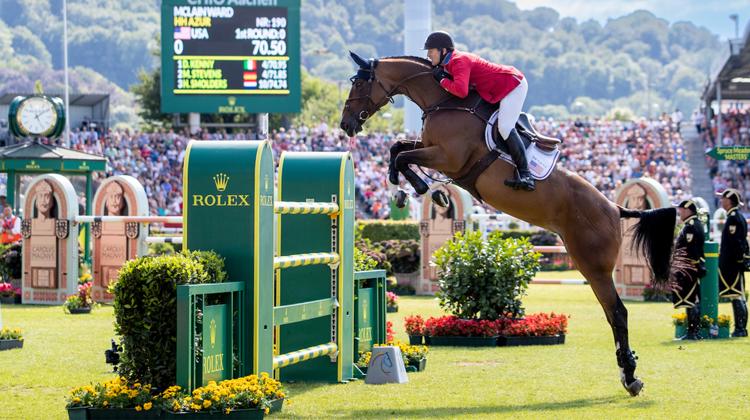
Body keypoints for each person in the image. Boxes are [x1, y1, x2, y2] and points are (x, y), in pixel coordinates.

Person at [424, 31, 534, 192]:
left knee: (504, 127)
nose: (428, 55)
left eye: (431, 50)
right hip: (495, 89)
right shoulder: (449, 63)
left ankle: (526, 175)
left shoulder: (458, 61)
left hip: (512, 84)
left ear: (443, 51)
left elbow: (461, 91)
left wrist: (442, 79)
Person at [671, 200, 705, 340]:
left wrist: (685, 266)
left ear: (688, 210)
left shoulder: (691, 226)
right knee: (690, 299)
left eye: (681, 210)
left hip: (688, 269)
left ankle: (693, 332)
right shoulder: (691, 224)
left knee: (690, 299)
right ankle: (692, 331)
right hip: (689, 268)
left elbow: (691, 251)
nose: (679, 212)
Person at [716, 188, 748, 337]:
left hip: (732, 265)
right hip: (734, 264)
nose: (721, 200)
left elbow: (736, 244)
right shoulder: (736, 216)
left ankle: (740, 329)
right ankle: (740, 328)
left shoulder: (733, 218)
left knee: (737, 295)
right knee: (738, 295)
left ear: (729, 201)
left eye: (723, 198)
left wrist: (736, 262)